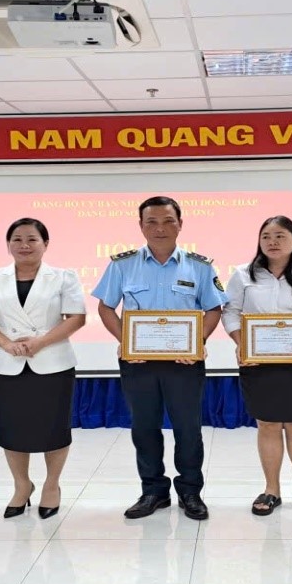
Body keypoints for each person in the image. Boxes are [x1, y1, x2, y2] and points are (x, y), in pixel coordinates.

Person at [92, 196, 227, 521]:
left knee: (188, 429)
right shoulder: (122, 265)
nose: (160, 228)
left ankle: (190, 491)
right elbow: (105, 307)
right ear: (141, 226)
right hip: (138, 363)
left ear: (180, 225)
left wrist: (197, 342)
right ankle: (153, 491)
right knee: (144, 428)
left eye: (168, 221)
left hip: (185, 363)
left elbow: (213, 309)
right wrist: (126, 341)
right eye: (151, 222)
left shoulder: (199, 266)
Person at [0, 218, 86, 520]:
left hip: (53, 362)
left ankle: (51, 485)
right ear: (8, 244)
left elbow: (76, 317)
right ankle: (22, 485)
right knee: (12, 429)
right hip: (7, 362)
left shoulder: (63, 277)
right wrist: (6, 343)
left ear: (45, 244)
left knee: (54, 428)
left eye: (32, 239)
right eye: (17, 239)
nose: (24, 245)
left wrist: (40, 342)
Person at [223, 215, 292, 516]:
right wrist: (241, 344)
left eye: (280, 236)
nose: (272, 242)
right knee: (268, 424)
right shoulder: (243, 274)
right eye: (266, 237)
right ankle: (271, 490)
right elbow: (230, 312)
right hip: (258, 361)